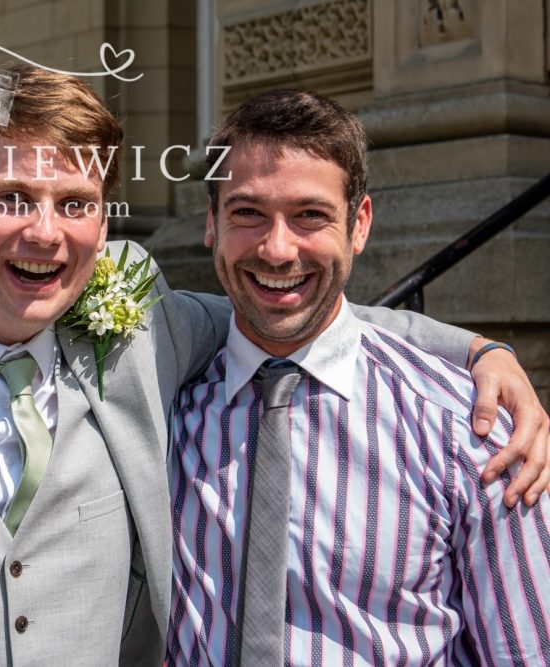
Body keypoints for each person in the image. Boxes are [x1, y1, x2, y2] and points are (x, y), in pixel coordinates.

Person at [0, 65, 549, 665]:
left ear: (103, 225)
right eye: (12, 199)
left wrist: (481, 350)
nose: (45, 231)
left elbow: (294, 314)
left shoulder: (139, 338)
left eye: (75, 203)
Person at [166, 88, 550, 665]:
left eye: (310, 215)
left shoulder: (472, 432)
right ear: (211, 224)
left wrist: (483, 351)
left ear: (359, 224)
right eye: (247, 212)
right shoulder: (168, 410)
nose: (277, 249)